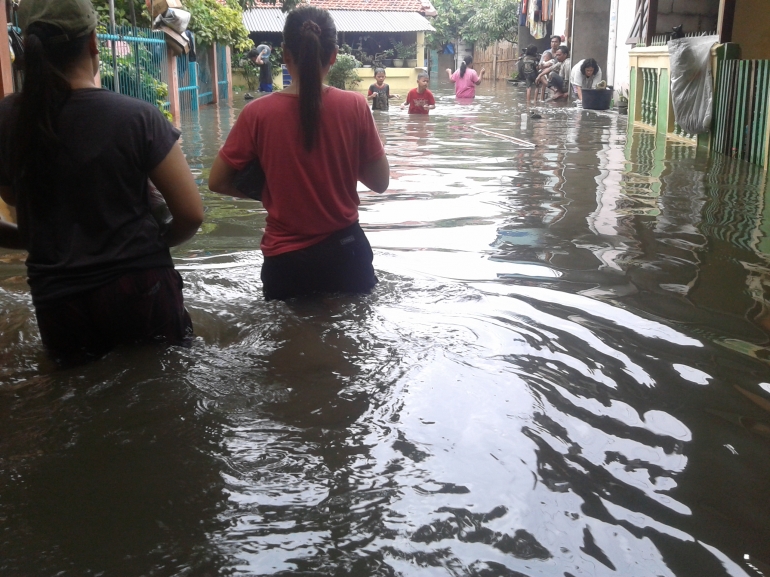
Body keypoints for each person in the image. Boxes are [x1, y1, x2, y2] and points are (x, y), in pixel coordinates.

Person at [0, 0, 204, 365]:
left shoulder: (7, 120)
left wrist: (38, 241)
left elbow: (13, 200)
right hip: (143, 288)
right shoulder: (138, 117)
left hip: (59, 299)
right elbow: (191, 214)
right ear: (94, 43)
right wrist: (156, 243)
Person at [208, 5, 389, 301]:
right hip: (346, 252)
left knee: (289, 343)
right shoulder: (354, 107)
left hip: (286, 261)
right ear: (333, 55)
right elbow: (380, 183)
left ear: (284, 53)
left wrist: (270, 191)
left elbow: (218, 181)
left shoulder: (257, 114)